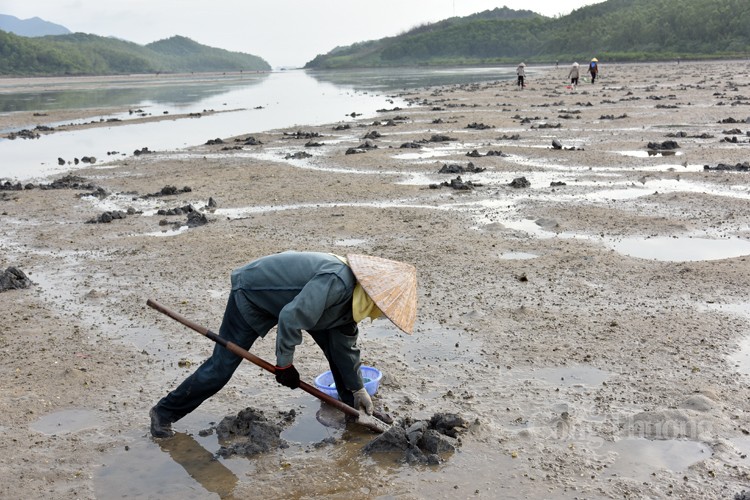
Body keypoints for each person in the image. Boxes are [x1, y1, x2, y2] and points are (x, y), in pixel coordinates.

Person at [149, 251, 417, 438]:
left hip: (296, 301)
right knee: (221, 368)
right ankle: (164, 412)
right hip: (254, 292)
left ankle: (353, 412)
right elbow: (291, 317)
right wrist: (285, 365)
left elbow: (346, 350)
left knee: (339, 354)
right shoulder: (336, 282)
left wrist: (359, 389)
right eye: (384, 309)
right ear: (374, 296)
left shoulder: (353, 306)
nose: (381, 314)